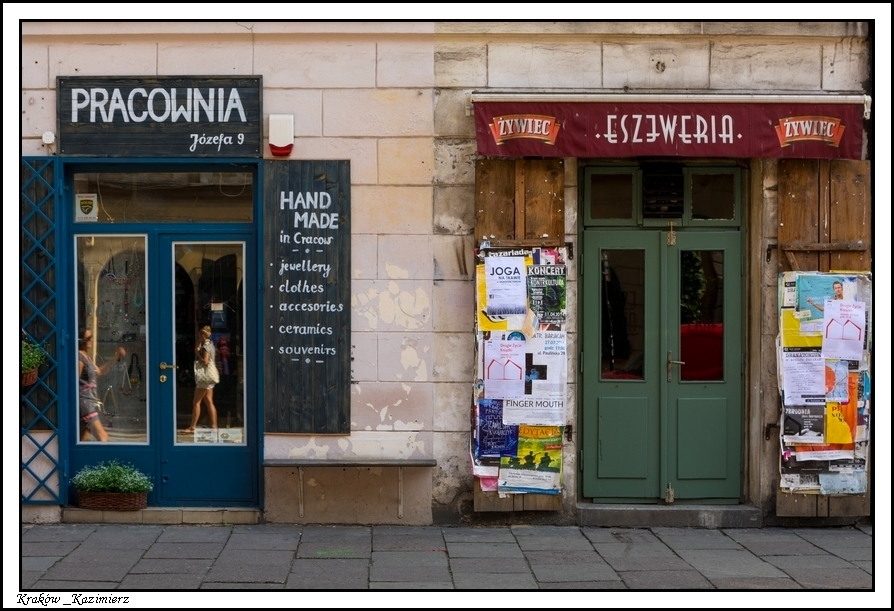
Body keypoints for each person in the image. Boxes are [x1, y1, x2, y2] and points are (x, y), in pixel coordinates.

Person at [77, 328, 126, 442]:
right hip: (85, 404)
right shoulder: (79, 358)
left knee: (82, 440)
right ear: (81, 340)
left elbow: (99, 372)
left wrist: (116, 357)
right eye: (88, 338)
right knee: (103, 438)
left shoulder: (86, 357)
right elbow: (74, 382)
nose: (91, 340)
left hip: (89, 402)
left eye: (92, 337)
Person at [187, 325, 218, 433]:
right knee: (209, 401)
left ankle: (192, 427)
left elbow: (205, 361)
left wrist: (199, 357)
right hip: (209, 377)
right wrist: (199, 342)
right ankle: (214, 426)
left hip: (204, 378)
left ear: (203, 335)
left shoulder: (205, 347)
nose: (199, 337)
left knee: (196, 402)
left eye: (200, 336)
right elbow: (197, 349)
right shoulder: (211, 345)